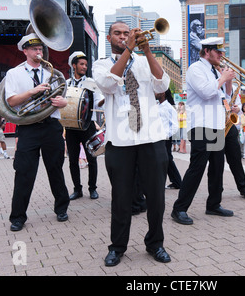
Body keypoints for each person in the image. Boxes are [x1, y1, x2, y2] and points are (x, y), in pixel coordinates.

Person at [93, 20, 171, 266]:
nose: (124, 36)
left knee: (157, 197)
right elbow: (107, 84)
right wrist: (128, 50)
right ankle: (117, 247)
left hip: (151, 137)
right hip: (120, 139)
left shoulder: (144, 61)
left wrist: (147, 51)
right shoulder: (102, 64)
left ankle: (155, 243)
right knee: (121, 198)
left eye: (127, 33)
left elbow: (163, 84)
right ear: (109, 38)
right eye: (118, 33)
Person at [5, 33, 70, 231]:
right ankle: (17, 217)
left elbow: (64, 98)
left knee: (55, 169)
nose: (38, 52)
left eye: (40, 49)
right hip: (28, 127)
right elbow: (11, 102)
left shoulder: (53, 73)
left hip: (51, 126)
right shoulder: (14, 74)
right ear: (25, 51)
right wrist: (32, 92)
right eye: (34, 49)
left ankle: (61, 208)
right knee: (24, 172)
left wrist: (64, 102)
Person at [171, 37, 236, 226]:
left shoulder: (214, 71)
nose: (221, 55)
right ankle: (179, 208)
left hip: (216, 125)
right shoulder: (195, 69)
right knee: (197, 168)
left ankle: (214, 204)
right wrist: (222, 78)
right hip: (200, 125)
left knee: (217, 167)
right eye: (218, 51)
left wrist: (228, 81)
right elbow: (207, 92)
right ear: (207, 51)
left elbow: (226, 96)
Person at [65, 51, 103, 200]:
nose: (84, 67)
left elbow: (99, 102)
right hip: (71, 127)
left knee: (92, 158)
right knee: (73, 160)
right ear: (74, 65)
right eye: (81, 64)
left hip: (88, 126)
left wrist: (105, 100)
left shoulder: (91, 83)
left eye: (86, 65)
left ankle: (92, 188)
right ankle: (77, 189)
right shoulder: (66, 84)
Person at [221, 77, 245, 200]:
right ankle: (217, 189)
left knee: (235, 159)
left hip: (230, 126)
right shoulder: (215, 85)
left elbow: (239, 108)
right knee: (216, 162)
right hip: (216, 125)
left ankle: (243, 187)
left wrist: (237, 109)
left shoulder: (234, 88)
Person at [156, 90, 181, 190]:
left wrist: (165, 135)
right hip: (158, 137)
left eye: (157, 91)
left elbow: (175, 126)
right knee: (166, 160)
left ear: (163, 94)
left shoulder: (169, 108)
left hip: (165, 138)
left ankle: (177, 182)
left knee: (166, 160)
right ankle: (176, 182)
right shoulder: (158, 106)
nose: (155, 93)